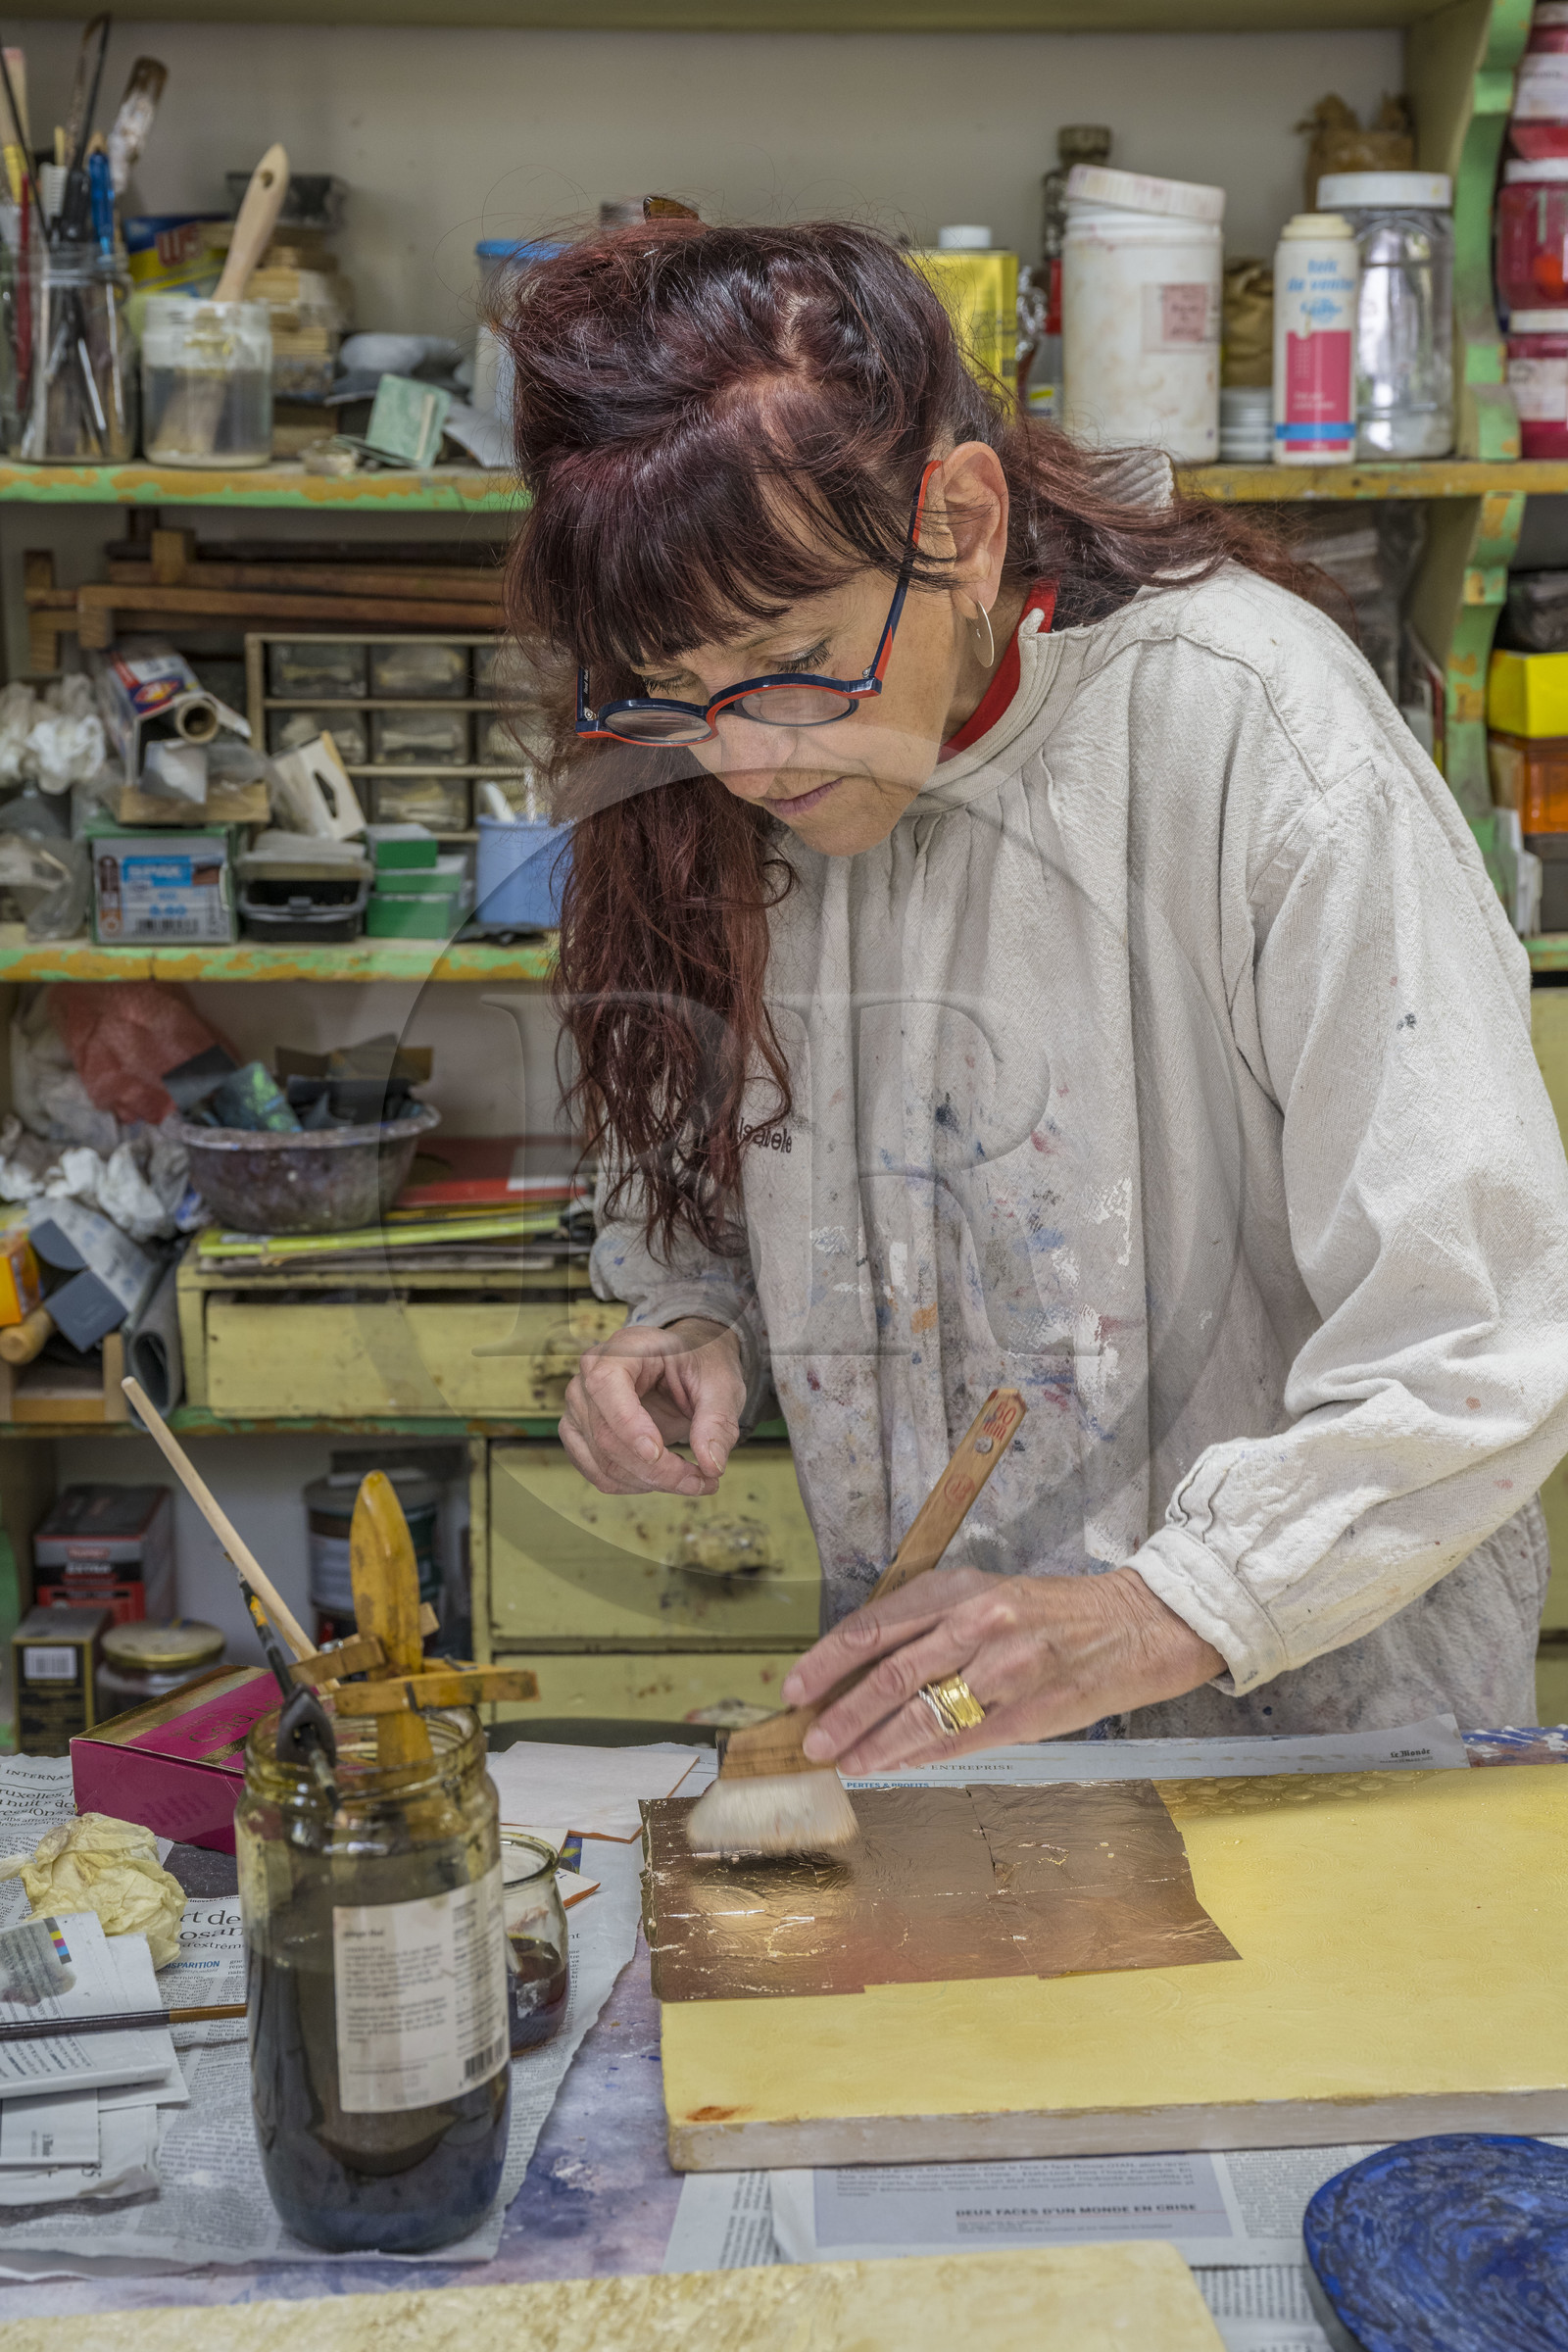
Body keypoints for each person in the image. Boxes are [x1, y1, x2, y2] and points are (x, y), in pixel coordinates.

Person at [499, 217, 1568, 1771]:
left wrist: (1149, 1614)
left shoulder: (1256, 737)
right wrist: (690, 1316)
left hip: (1323, 1744)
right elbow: (739, 1159)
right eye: (677, 688)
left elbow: (1482, 1332)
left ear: (965, 521)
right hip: (963, 1752)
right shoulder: (731, 784)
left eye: (798, 659)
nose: (743, 753)